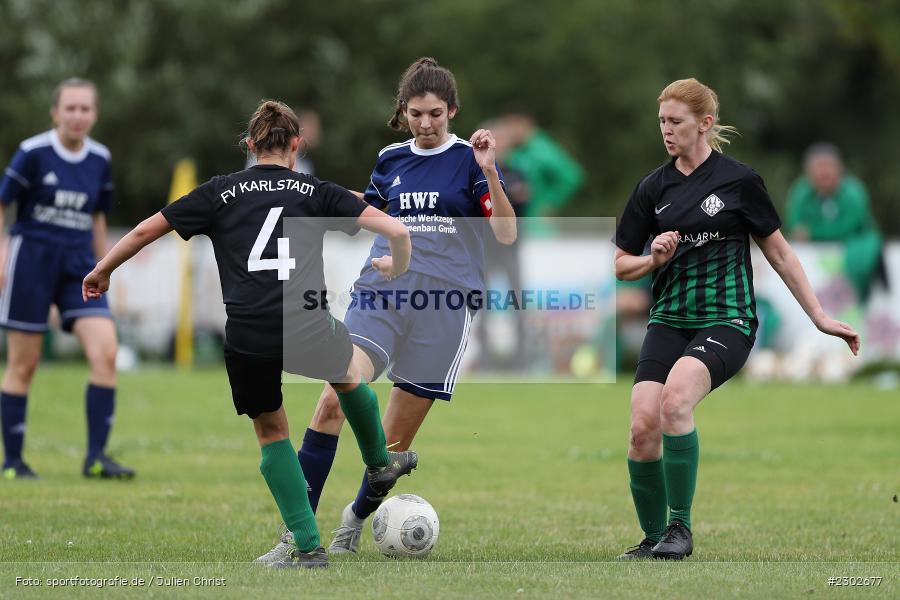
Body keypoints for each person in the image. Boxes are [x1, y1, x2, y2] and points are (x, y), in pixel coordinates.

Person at [82, 100, 417, 568]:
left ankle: (307, 546)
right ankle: (380, 463)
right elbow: (396, 232)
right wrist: (395, 267)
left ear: (249, 145)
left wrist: (102, 271)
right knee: (345, 377)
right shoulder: (314, 190)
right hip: (305, 324)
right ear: (296, 145)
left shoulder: (220, 192)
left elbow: (143, 231)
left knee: (271, 430)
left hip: (248, 333)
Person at [255, 57, 516, 562]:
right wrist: (305, 196)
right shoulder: (390, 158)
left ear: (452, 110)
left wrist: (490, 173)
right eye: (416, 113)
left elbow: (505, 234)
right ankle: (296, 536)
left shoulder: (470, 160)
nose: (426, 123)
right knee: (334, 398)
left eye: (436, 114)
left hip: (445, 303)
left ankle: (353, 520)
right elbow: (368, 213)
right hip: (383, 289)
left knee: (391, 448)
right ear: (403, 111)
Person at [613, 78, 860, 560]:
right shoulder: (653, 188)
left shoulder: (740, 181)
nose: (666, 130)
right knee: (643, 427)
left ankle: (679, 530)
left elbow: (781, 254)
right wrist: (652, 260)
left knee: (675, 400)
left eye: (676, 122)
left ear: (704, 124)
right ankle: (651, 540)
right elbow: (622, 263)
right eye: (662, 121)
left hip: (727, 321)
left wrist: (819, 317)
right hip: (668, 320)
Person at [0, 78, 134, 480]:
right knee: (24, 364)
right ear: (55, 112)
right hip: (32, 261)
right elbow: (3, 202)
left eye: (85, 109)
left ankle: (96, 458)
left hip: (79, 266)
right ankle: (13, 462)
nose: (77, 116)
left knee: (106, 352)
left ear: (95, 114)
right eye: (70, 108)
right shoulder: (32, 153)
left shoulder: (100, 158)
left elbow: (97, 216)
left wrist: (104, 265)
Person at [784, 143, 884, 304]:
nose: (824, 172)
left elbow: (851, 226)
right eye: (819, 167)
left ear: (840, 169)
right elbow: (795, 225)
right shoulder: (801, 192)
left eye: (829, 167)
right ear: (809, 171)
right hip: (812, 264)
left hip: (853, 249)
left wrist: (813, 232)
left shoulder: (854, 192)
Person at [245, 107, 321, 175]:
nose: (316, 132)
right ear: (300, 127)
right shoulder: (265, 157)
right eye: (311, 126)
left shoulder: (305, 165)